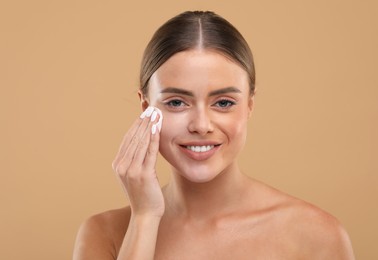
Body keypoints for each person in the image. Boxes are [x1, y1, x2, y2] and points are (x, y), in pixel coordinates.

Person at [73, 11, 355, 259]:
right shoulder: (104, 234)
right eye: (176, 102)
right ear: (146, 108)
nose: (201, 125)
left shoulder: (315, 235)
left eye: (223, 103)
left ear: (249, 106)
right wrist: (145, 218)